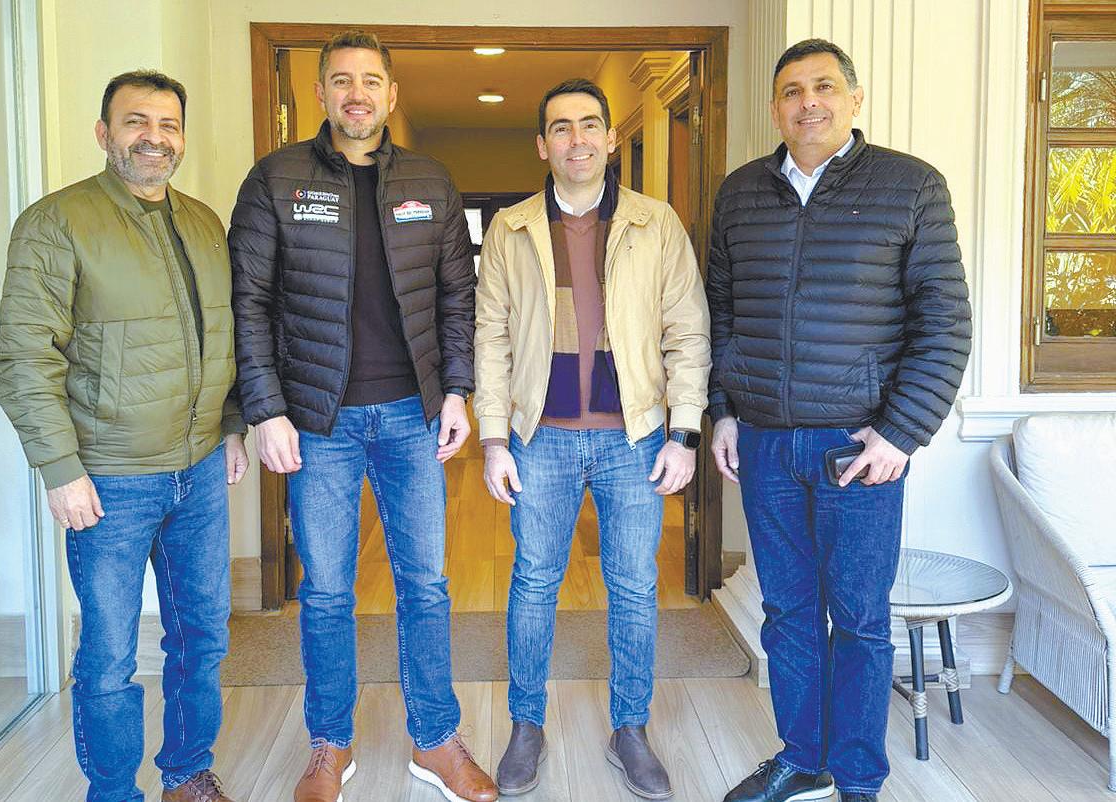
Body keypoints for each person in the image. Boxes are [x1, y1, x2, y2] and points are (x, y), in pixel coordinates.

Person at [227, 29, 497, 802]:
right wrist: (266, 409)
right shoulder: (276, 178)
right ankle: (329, 744)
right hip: (318, 421)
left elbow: (458, 297)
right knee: (326, 591)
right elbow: (248, 302)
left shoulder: (430, 181)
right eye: (341, 80)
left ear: (391, 94)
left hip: (413, 415)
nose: (357, 94)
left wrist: (457, 391)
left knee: (426, 585)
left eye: (371, 81)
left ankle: (435, 741)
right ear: (320, 94)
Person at [707, 39, 972, 802]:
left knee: (858, 619)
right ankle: (803, 760)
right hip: (763, 443)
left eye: (824, 86)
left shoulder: (911, 186)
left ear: (854, 99)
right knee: (787, 612)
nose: (808, 102)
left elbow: (945, 324)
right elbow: (719, 311)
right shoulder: (740, 193)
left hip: (858, 447)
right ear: (775, 109)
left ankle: (858, 780)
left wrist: (901, 433)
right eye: (792, 90)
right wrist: (722, 410)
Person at [0, 70, 248, 802]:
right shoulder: (57, 222)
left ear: (181, 138)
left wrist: (232, 425)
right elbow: (24, 357)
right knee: (108, 655)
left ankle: (187, 773)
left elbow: (226, 336)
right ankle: (112, 792)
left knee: (203, 637)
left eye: (168, 125)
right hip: (108, 478)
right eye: (136, 122)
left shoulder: (202, 222)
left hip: (200, 468)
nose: (153, 138)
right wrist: (60, 467)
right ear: (104, 133)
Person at [474, 77, 711, 800]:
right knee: (533, 582)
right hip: (538, 437)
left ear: (610, 139)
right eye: (560, 127)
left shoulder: (656, 223)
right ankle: (526, 725)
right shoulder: (512, 228)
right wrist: (493, 439)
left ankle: (629, 729)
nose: (576, 139)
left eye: (588, 125)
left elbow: (688, 331)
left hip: (634, 438)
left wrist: (684, 433)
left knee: (633, 586)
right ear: (542, 144)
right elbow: (490, 338)